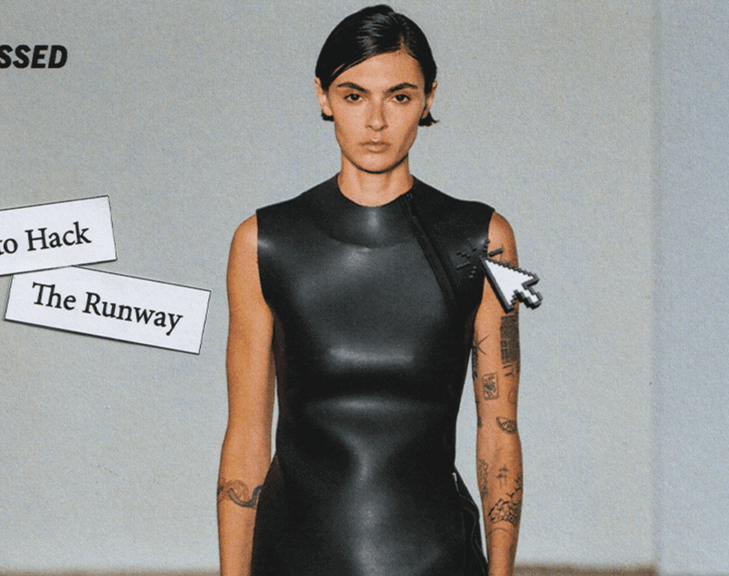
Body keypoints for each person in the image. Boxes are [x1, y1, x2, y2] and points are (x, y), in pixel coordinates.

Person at [218, 5, 522, 575]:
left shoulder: (483, 241)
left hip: (437, 561)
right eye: (354, 95)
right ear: (323, 96)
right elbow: (246, 439)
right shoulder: (263, 243)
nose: (376, 121)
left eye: (399, 97)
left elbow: (499, 431)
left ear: (428, 99)